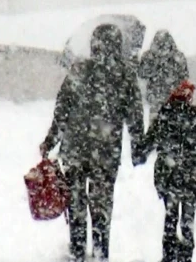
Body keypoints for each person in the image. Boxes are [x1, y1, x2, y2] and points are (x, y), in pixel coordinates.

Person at [39, 24, 145, 262]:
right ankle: (100, 252)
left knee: (76, 203)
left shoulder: (79, 69)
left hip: (75, 149)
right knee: (101, 205)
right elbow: (135, 115)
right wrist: (137, 147)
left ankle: (77, 250)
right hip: (106, 152)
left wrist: (51, 139)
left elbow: (62, 109)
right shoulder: (125, 76)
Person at [137, 80, 196, 262]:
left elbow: (146, 144)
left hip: (168, 177)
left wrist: (139, 155)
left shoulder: (163, 118)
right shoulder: (194, 120)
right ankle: (185, 256)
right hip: (192, 177)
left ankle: (168, 255)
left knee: (170, 217)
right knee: (188, 221)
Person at [139, 30, 189, 123]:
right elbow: (185, 76)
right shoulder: (178, 57)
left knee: (155, 129)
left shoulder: (149, 56)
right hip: (172, 99)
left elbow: (142, 73)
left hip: (158, 98)